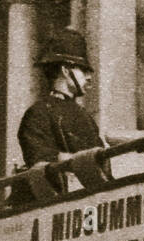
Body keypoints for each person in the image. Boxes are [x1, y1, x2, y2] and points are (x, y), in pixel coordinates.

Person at [17, 29, 104, 191]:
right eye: (83, 70)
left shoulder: (85, 116)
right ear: (65, 70)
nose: (89, 77)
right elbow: (39, 158)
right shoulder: (38, 113)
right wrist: (81, 161)